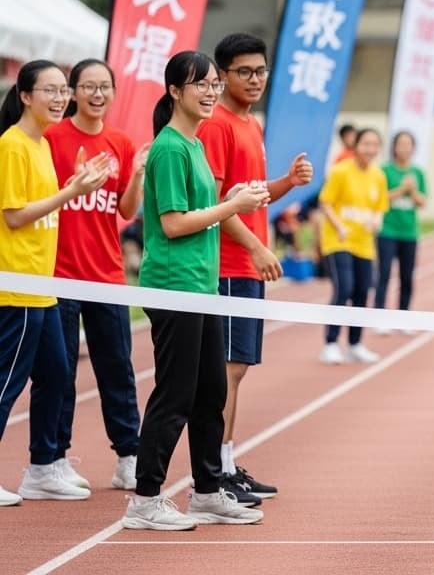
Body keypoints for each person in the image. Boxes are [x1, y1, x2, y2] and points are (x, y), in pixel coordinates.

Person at [121, 50, 267, 530]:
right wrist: (232, 208)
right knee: (176, 394)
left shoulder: (196, 143)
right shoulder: (169, 148)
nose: (209, 92)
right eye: (199, 84)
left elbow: (202, 210)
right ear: (175, 91)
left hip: (202, 285)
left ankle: (206, 491)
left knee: (211, 391)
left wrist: (231, 199)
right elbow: (173, 224)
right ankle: (145, 499)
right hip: (175, 284)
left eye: (212, 84)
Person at [198, 32, 314, 502]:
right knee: (226, 371)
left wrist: (287, 181)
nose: (254, 79)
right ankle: (213, 473)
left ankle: (226, 463)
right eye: (243, 72)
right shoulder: (218, 126)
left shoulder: (251, 124)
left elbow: (252, 195)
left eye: (260, 71)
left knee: (237, 369)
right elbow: (217, 204)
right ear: (222, 76)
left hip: (246, 266)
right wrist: (258, 249)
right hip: (228, 266)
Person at [1, 60, 111, 506]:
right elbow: (14, 216)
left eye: (63, 90)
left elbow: (42, 206)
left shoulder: (41, 144)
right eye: (50, 90)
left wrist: (75, 186)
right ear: (25, 96)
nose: (60, 98)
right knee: (7, 381)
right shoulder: (12, 146)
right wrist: (71, 192)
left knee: (57, 373)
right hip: (18, 284)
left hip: (42, 284)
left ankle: (43, 469)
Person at [46, 59, 147, 494]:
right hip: (60, 273)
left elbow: (126, 210)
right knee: (60, 370)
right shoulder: (52, 139)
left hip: (106, 274)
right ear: (73, 92)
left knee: (117, 369)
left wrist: (137, 175)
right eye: (88, 86)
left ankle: (129, 456)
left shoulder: (120, 142)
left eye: (105, 86)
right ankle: (56, 458)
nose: (97, 94)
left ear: (114, 92)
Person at [318, 128, 388, 364]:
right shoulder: (341, 171)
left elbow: (380, 207)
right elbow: (325, 202)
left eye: (375, 144)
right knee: (344, 287)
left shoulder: (378, 176)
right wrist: (339, 226)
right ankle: (330, 343)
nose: (370, 149)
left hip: (364, 244)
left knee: (362, 292)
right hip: (339, 242)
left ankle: (355, 344)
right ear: (356, 146)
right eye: (366, 144)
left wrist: (377, 220)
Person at [373, 131, 427, 336]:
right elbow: (379, 198)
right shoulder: (384, 171)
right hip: (387, 230)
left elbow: (422, 202)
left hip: (409, 232)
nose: (405, 148)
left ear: (413, 148)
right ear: (394, 147)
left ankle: (403, 318)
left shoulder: (417, 173)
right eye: (401, 144)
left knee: (407, 277)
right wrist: (401, 189)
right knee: (384, 275)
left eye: (408, 144)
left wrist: (412, 191)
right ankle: (379, 318)